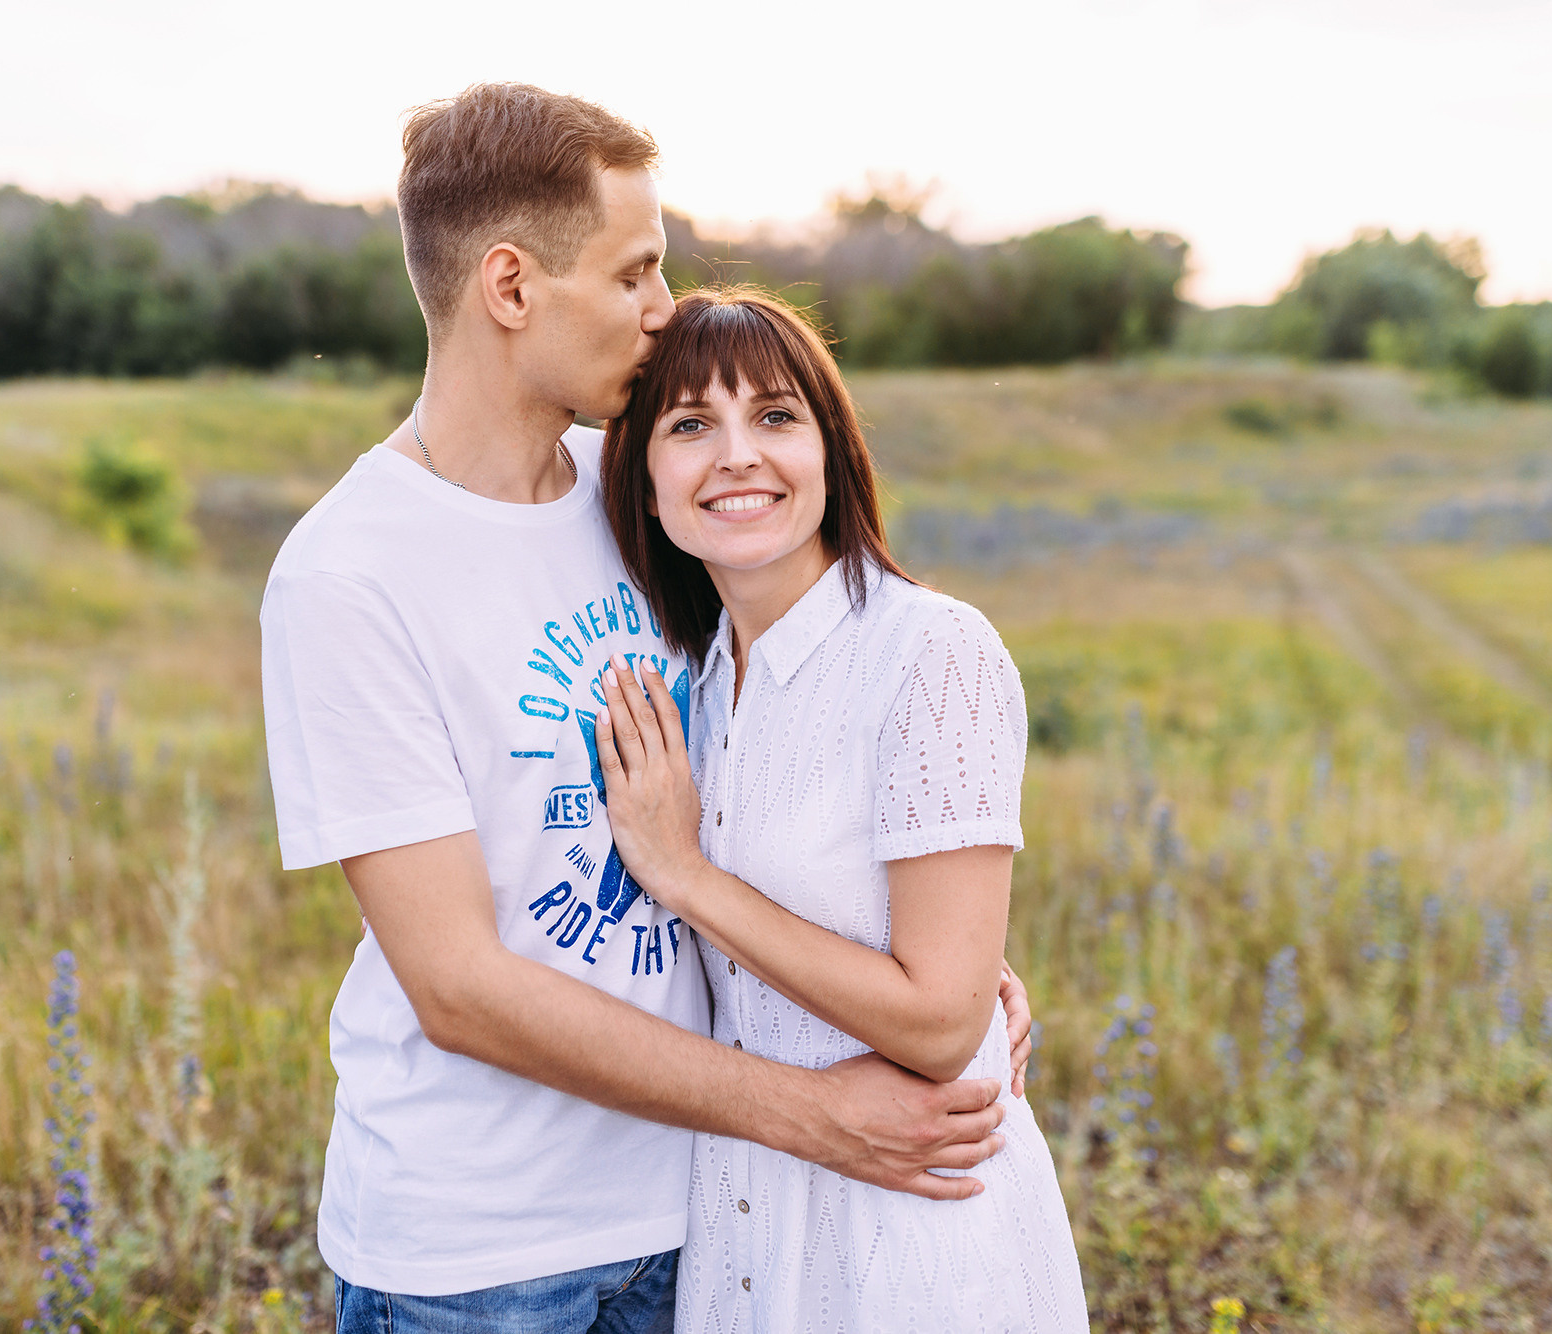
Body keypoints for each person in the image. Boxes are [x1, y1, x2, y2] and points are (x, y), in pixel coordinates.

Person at [259, 84, 1035, 1333]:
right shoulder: (350, 574)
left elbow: (782, 730)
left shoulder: (635, 490)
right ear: (509, 288)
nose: (661, 310)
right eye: (634, 273)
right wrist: (812, 1110)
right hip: (486, 1256)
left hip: (704, 1211)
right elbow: (456, 983)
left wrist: (934, 954)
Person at [592, 286, 1091, 1333]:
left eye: (774, 416)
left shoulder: (925, 650)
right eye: (689, 425)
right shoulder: (698, 675)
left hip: (902, 1225)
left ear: (831, 451)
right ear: (641, 480)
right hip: (739, 1215)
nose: (736, 455)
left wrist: (685, 876)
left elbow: (944, 1018)